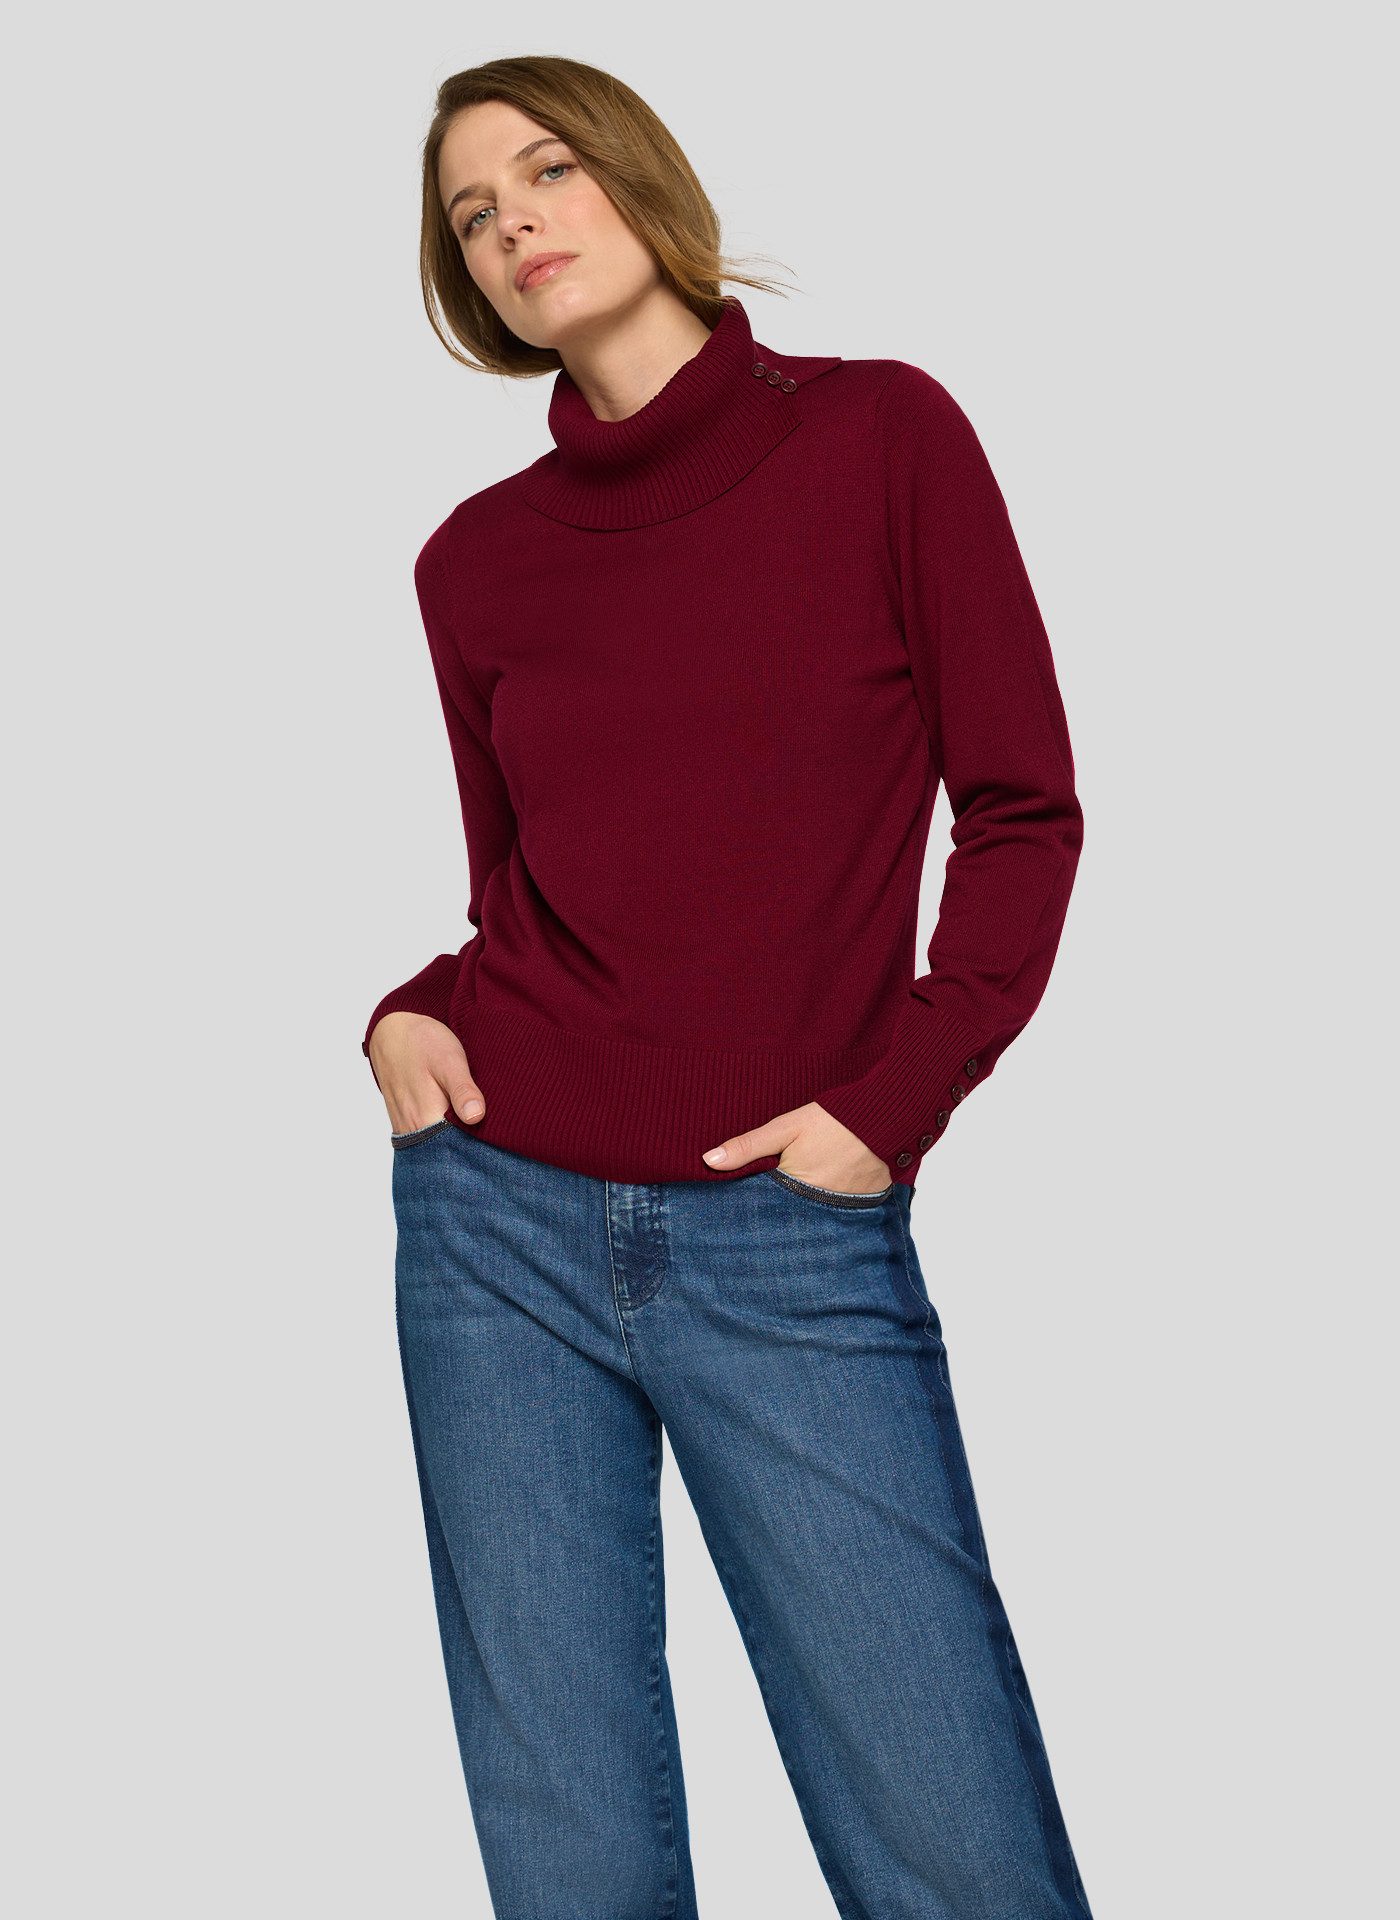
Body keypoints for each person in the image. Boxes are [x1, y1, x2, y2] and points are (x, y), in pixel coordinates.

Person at [363, 52, 1093, 1920]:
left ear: (635, 175)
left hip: (789, 1229)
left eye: (545, 170)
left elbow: (1024, 813)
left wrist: (895, 1101)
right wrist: (412, 1008)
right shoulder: (473, 566)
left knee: (952, 1845)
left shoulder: (880, 438)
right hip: (493, 1225)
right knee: (572, 1856)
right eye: (472, 213)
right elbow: (523, 891)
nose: (515, 222)